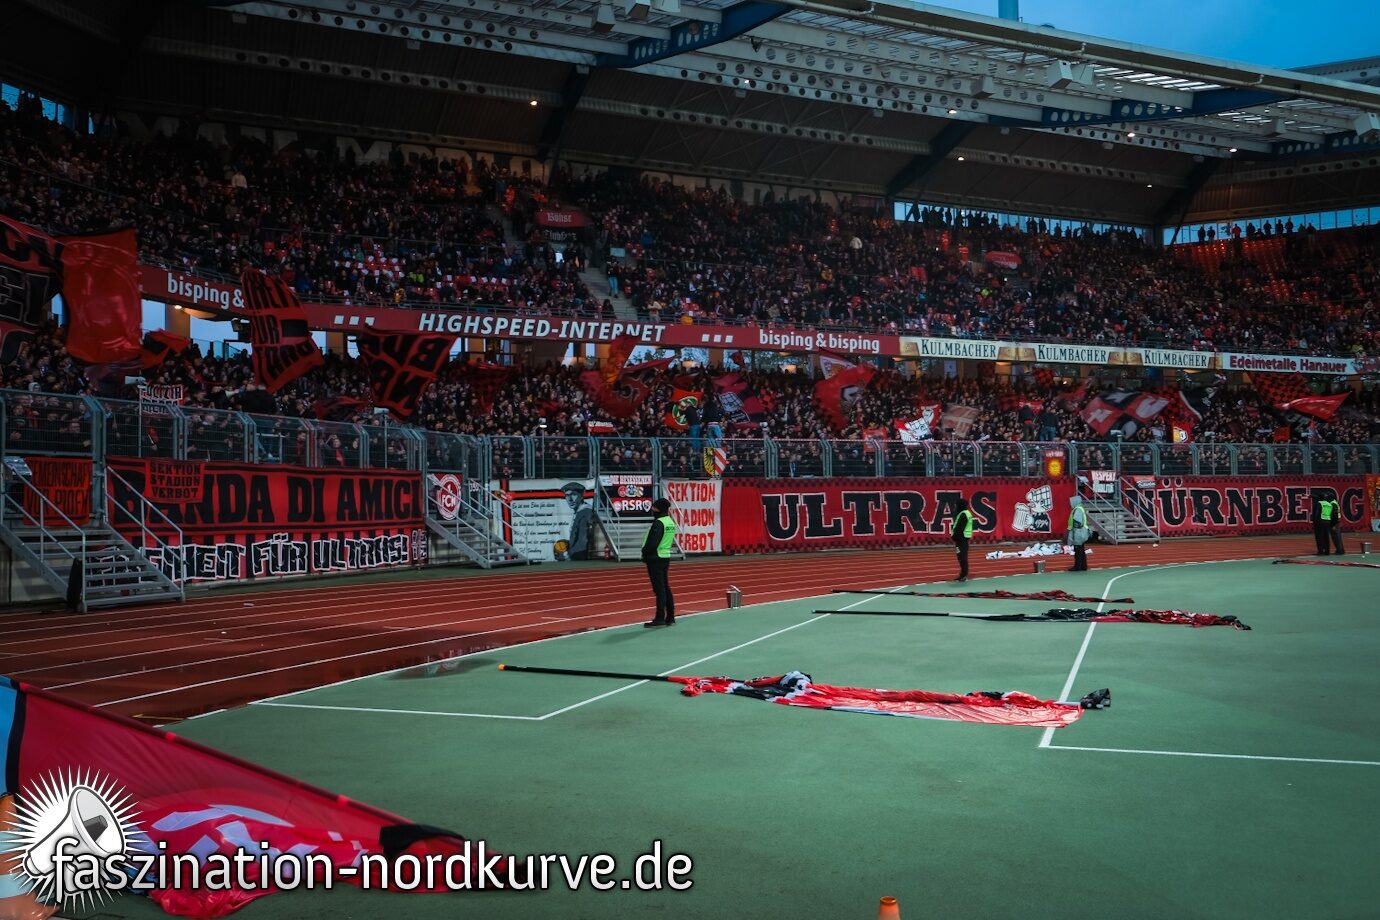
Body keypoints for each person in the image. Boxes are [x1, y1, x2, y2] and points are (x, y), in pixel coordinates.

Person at [642, 497, 677, 627]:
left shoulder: (658, 523)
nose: (652, 510)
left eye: (654, 507)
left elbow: (653, 543)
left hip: (655, 558)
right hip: (665, 556)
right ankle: (670, 616)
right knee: (665, 587)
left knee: (659, 589)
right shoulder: (670, 522)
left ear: (659, 509)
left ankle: (660, 617)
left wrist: (645, 552)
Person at [950, 497, 974, 582]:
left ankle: (963, 575)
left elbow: (960, 528)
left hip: (962, 539)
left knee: (962, 557)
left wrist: (954, 536)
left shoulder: (964, 514)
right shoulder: (964, 513)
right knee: (961, 557)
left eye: (957, 505)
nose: (955, 507)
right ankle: (963, 574)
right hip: (961, 539)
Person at [1066, 496, 1090, 572]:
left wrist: (1073, 530)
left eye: (1071, 502)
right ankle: (1083, 566)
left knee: (1078, 549)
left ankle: (1077, 566)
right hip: (1082, 531)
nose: (1070, 504)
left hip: (1078, 532)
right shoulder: (1080, 508)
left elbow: (1077, 521)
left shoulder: (1077, 509)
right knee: (1081, 549)